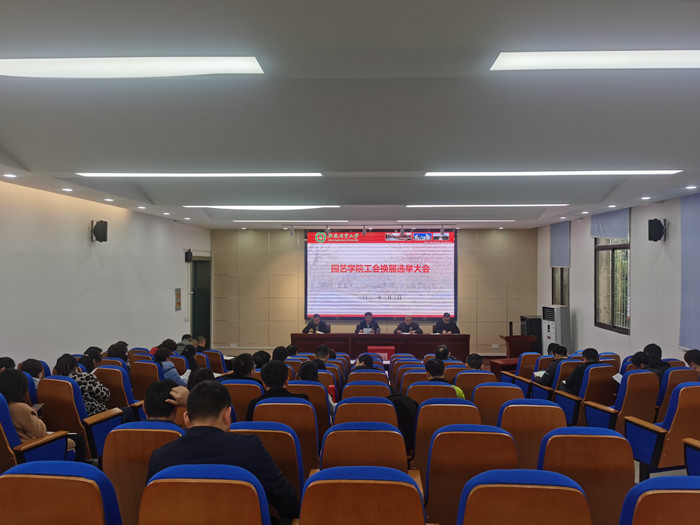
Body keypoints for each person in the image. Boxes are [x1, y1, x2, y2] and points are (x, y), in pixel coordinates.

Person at [147, 381, 300, 521]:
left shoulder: (160, 457)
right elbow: (288, 504)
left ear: (187, 419)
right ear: (227, 415)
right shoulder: (250, 449)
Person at [0, 369, 78, 458]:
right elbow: (41, 431)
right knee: (77, 440)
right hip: (31, 448)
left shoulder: (4, 405)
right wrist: (33, 414)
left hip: (15, 452)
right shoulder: (20, 408)